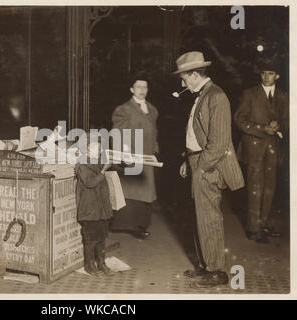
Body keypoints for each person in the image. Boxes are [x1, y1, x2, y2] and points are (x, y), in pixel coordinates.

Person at [175, 51, 244, 288]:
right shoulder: (201, 96)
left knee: (209, 218)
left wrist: (201, 167)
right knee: (199, 217)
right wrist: (188, 160)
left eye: (184, 78)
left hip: (208, 166)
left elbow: (219, 142)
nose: (182, 83)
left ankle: (216, 271)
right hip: (197, 161)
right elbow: (197, 136)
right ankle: (205, 267)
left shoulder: (217, 96)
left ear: (194, 74)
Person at [234, 60, 289, 243]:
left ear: (277, 76)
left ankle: (262, 223)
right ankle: (253, 229)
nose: (267, 76)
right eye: (264, 73)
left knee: (269, 188)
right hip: (254, 147)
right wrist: (261, 128)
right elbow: (239, 119)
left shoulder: (284, 96)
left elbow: (289, 121)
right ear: (260, 74)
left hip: (273, 147)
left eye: (271, 73)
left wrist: (280, 126)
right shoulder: (249, 94)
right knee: (255, 187)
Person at [110, 73, 159, 239]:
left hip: (148, 156)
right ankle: (130, 226)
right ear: (131, 89)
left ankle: (141, 225)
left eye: (145, 87)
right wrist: (124, 154)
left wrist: (155, 150)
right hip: (131, 155)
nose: (142, 90)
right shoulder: (123, 109)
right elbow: (117, 132)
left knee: (146, 191)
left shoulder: (152, 109)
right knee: (132, 191)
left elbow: (154, 132)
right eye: (138, 87)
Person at [75, 133, 114, 276]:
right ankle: (89, 265)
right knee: (90, 239)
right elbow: (91, 182)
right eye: (94, 148)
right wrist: (104, 170)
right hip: (89, 211)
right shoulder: (82, 166)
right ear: (86, 150)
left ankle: (101, 263)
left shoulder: (97, 163)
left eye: (99, 148)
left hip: (100, 210)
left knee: (102, 238)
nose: (98, 151)